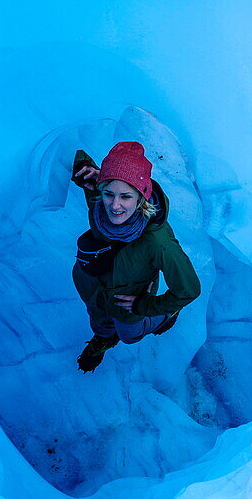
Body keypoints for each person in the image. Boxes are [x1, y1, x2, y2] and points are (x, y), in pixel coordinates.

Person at [71, 140, 201, 372]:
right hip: (93, 284)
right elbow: (78, 155)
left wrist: (148, 305)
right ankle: (103, 339)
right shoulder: (99, 200)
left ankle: (165, 316)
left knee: (130, 334)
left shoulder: (158, 242)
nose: (115, 205)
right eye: (109, 193)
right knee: (99, 323)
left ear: (141, 197)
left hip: (129, 301)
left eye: (126, 197)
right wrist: (85, 170)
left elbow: (189, 289)